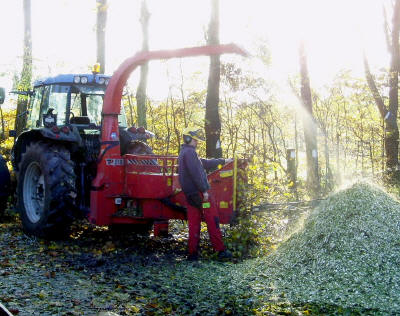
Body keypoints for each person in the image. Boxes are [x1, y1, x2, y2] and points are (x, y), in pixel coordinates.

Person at [178, 126, 233, 261]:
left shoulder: (185, 153)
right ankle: (220, 251)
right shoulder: (190, 153)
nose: (197, 143)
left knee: (194, 224)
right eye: (195, 140)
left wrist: (223, 161)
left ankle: (192, 254)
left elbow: (204, 163)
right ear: (188, 138)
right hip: (201, 195)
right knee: (212, 220)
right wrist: (204, 191)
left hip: (192, 195)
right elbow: (196, 174)